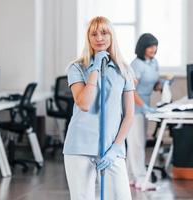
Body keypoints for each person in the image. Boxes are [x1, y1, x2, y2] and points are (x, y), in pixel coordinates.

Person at [63, 16, 135, 200]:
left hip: (111, 148)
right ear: (88, 38)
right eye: (93, 34)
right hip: (80, 146)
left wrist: (115, 148)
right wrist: (95, 68)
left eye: (104, 32)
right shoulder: (77, 67)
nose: (99, 38)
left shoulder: (124, 69)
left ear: (112, 36)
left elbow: (129, 116)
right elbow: (84, 104)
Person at [127, 33, 162, 190]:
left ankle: (130, 177)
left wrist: (163, 85)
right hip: (133, 107)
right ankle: (141, 179)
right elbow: (131, 90)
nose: (153, 49)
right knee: (137, 144)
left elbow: (154, 84)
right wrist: (143, 106)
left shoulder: (154, 63)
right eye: (150, 46)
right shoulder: (135, 65)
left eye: (155, 46)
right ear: (143, 47)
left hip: (145, 107)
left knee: (137, 143)